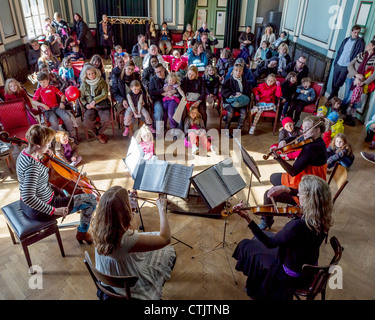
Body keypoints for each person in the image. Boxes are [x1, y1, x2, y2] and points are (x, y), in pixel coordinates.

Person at [233, 174, 333, 300]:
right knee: (254, 244)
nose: (297, 195)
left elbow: (270, 243)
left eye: (300, 194)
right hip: (308, 265)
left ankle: (253, 288)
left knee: (246, 245)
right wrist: (287, 189)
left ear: (308, 199)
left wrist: (248, 219)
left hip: (291, 274)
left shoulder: (297, 226)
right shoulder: (323, 216)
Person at [16, 124, 97, 244]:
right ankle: (82, 232)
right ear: (38, 145)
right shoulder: (32, 168)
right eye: (48, 142)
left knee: (65, 190)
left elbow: (35, 183)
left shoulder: (24, 154)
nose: (50, 145)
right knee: (91, 200)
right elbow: (28, 197)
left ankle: (79, 224)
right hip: (42, 208)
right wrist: (54, 210)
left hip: (39, 198)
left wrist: (43, 153)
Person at [92, 186, 176, 300]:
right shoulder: (124, 239)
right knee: (168, 250)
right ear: (124, 211)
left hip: (107, 277)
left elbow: (116, 215)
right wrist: (161, 208)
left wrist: (127, 205)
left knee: (150, 240)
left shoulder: (97, 226)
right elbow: (165, 239)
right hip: (126, 288)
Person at [260, 116, 327, 229]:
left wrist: (278, 158)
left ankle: (267, 221)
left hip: (308, 189)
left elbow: (293, 171)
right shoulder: (316, 140)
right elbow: (298, 137)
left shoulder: (312, 148)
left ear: (318, 130)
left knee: (268, 193)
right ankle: (290, 205)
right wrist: (284, 141)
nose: (303, 132)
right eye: (303, 128)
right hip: (307, 178)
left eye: (307, 128)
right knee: (273, 177)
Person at [33, 72, 76, 140]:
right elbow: (34, 101)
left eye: (44, 82)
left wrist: (62, 102)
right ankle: (57, 138)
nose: (42, 84)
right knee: (54, 121)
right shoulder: (39, 90)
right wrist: (43, 105)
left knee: (67, 117)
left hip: (56, 107)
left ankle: (72, 134)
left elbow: (62, 95)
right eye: (40, 82)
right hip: (47, 110)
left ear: (48, 80)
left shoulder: (53, 88)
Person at [328, 25, 365, 100]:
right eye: (355, 32)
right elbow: (339, 51)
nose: (356, 34)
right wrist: (335, 63)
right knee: (334, 83)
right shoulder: (346, 40)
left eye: (358, 33)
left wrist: (352, 66)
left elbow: (358, 56)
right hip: (338, 64)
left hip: (346, 66)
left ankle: (330, 98)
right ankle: (334, 101)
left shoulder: (360, 42)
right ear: (351, 32)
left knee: (338, 83)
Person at [79, 64, 111, 144]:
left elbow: (105, 94)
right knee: (86, 121)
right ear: (86, 75)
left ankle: (98, 134)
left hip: (101, 104)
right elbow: (82, 98)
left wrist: (94, 101)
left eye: (92, 73)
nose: (91, 75)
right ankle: (98, 134)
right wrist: (86, 105)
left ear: (95, 72)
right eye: (89, 74)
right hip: (90, 106)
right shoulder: (83, 85)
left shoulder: (101, 81)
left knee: (106, 119)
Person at [342, 41, 375, 113]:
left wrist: (364, 82)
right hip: (351, 78)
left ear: (373, 47)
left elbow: (374, 74)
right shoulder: (361, 55)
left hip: (361, 82)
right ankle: (340, 112)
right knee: (347, 97)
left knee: (354, 99)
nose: (367, 45)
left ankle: (348, 116)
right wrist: (356, 74)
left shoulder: (374, 60)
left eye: (369, 44)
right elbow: (350, 65)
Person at [221, 65, 252, 137]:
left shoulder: (244, 81)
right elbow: (223, 91)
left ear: (242, 72)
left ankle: (238, 130)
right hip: (230, 101)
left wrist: (241, 94)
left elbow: (249, 91)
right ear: (233, 72)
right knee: (230, 112)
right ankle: (226, 129)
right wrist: (233, 94)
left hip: (241, 102)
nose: (238, 73)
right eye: (236, 71)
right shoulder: (228, 80)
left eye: (240, 71)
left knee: (244, 113)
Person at [149, 63, 168, 133]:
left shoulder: (169, 77)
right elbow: (151, 92)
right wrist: (162, 91)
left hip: (169, 98)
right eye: (157, 72)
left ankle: (176, 130)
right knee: (159, 112)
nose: (159, 73)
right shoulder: (153, 79)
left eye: (160, 71)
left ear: (164, 70)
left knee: (176, 110)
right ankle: (158, 131)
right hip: (158, 99)